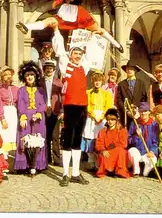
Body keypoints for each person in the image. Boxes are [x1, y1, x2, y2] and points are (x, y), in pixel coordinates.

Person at [16, 0, 124, 53]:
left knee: (98, 30)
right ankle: (26, 26)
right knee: (49, 21)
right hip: (65, 11)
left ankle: (116, 44)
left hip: (78, 12)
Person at [52, 28, 91, 186]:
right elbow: (60, 49)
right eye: (75, 54)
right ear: (71, 55)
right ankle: (65, 174)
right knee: (67, 139)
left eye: (79, 54)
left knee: (77, 140)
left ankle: (75, 173)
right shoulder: (65, 65)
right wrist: (56, 31)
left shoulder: (84, 67)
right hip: (70, 106)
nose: (78, 56)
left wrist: (93, 35)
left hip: (83, 107)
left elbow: (91, 53)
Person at [14, 61, 48, 176]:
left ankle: (37, 164)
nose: (30, 77)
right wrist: (22, 117)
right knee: (24, 139)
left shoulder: (41, 90)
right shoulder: (21, 90)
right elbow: (20, 104)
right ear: (24, 77)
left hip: (38, 118)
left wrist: (38, 113)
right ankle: (23, 165)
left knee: (38, 140)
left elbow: (43, 103)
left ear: (36, 76)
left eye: (32, 75)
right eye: (27, 75)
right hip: (25, 117)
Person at [81, 70, 114, 171]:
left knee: (100, 139)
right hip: (91, 118)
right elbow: (86, 106)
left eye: (99, 81)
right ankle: (90, 161)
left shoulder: (107, 94)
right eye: (95, 80)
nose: (97, 82)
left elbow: (108, 106)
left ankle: (99, 161)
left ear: (102, 82)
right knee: (90, 138)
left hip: (102, 119)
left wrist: (102, 117)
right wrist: (93, 116)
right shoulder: (88, 92)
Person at [39, 60, 64, 166]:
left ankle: (57, 160)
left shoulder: (58, 82)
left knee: (55, 136)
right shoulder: (39, 81)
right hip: (44, 110)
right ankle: (47, 158)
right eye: (47, 68)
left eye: (51, 68)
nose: (49, 69)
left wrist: (62, 110)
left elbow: (62, 97)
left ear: (53, 70)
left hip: (55, 110)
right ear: (44, 69)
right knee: (45, 135)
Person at [95, 108, 130, 178]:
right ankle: (108, 170)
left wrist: (113, 146)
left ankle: (119, 171)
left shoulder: (122, 131)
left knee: (121, 151)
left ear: (116, 120)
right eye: (108, 120)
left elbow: (124, 144)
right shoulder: (103, 131)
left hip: (117, 152)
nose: (110, 122)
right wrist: (103, 150)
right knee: (104, 156)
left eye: (112, 120)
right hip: (106, 152)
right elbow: (99, 144)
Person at [127, 102, 159, 177]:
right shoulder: (134, 123)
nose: (143, 113)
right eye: (141, 111)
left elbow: (156, 141)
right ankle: (136, 171)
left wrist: (153, 151)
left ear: (148, 112)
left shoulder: (154, 125)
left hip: (148, 152)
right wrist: (136, 136)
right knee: (131, 151)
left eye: (145, 111)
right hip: (138, 150)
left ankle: (145, 172)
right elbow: (129, 140)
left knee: (153, 160)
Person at [116, 61, 147, 127]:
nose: (130, 70)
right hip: (126, 115)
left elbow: (144, 98)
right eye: (128, 69)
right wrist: (126, 111)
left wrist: (139, 111)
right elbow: (119, 100)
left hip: (138, 114)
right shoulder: (121, 84)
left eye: (132, 69)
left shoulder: (141, 83)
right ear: (126, 70)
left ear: (135, 70)